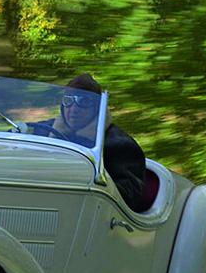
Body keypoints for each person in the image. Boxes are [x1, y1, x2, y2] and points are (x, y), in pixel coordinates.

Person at [31, 74, 147, 211]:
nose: (74, 110)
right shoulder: (40, 131)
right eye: (68, 101)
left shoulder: (120, 145)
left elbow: (129, 197)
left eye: (84, 102)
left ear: (96, 108)